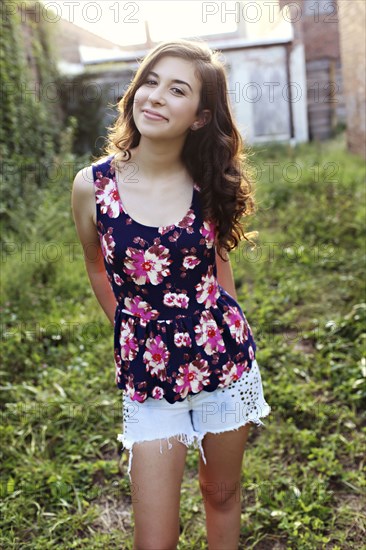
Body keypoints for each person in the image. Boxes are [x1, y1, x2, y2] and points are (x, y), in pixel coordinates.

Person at [71, 39, 270, 550]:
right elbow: (96, 265)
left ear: (201, 117)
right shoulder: (93, 187)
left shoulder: (209, 181)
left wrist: (227, 325)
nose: (155, 96)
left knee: (220, 496)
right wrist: (131, 327)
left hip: (223, 366)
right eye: (150, 82)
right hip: (149, 373)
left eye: (176, 89)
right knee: (154, 538)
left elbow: (219, 264)